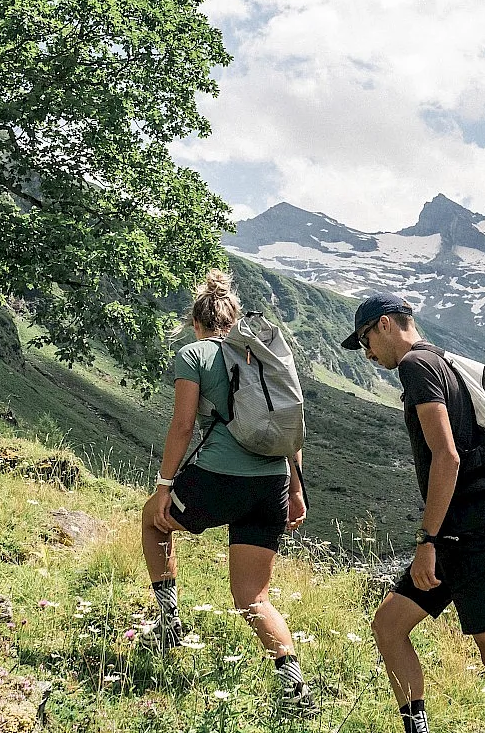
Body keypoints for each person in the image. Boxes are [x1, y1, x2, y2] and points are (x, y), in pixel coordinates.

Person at [345, 293, 485, 733]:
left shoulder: (416, 366)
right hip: (467, 527)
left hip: (467, 532)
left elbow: (448, 457)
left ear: (385, 324)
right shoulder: (440, 361)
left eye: (365, 339)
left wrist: (428, 542)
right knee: (389, 626)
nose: (367, 352)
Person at [140, 269, 316, 716]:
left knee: (152, 519)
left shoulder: (193, 354)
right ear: (234, 321)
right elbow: (291, 427)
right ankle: (296, 689)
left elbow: (182, 425)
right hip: (274, 482)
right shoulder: (261, 354)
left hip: (220, 478)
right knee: (253, 597)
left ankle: (169, 623)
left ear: (196, 323)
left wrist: (164, 486)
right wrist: (297, 487)